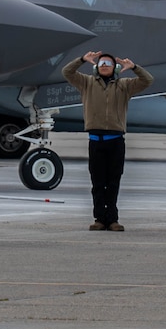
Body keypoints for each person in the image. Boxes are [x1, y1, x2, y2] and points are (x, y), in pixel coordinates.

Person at [63, 51, 153, 232]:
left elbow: (147, 80)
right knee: (97, 182)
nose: (104, 65)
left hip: (116, 141)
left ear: (116, 68)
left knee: (113, 182)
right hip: (96, 141)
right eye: (101, 62)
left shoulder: (124, 85)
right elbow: (67, 72)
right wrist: (82, 60)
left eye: (108, 63)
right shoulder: (87, 83)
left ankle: (112, 219)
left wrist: (134, 67)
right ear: (96, 66)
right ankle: (99, 219)